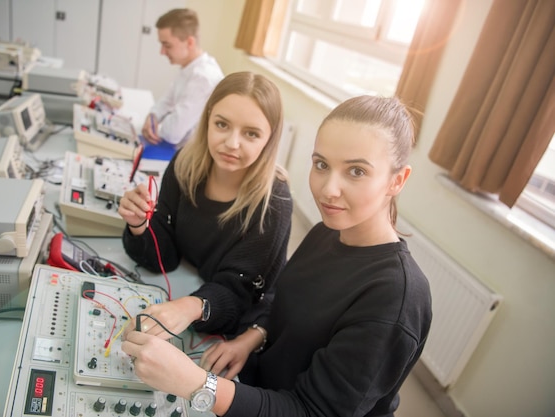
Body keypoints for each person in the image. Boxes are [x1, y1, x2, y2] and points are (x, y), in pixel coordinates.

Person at [121, 95, 433, 417]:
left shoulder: (395, 298)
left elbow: (311, 412)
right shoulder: (329, 231)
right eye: (321, 165)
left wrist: (199, 384)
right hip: (256, 386)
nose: (328, 190)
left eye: (356, 171)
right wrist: (252, 338)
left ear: (397, 180)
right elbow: (281, 300)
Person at [118, 71, 293, 340]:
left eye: (251, 133)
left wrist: (191, 306)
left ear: (269, 139)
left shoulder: (274, 203)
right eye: (222, 124)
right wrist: (139, 224)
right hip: (189, 290)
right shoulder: (184, 165)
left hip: (237, 327)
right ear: (208, 120)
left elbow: (241, 294)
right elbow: (164, 256)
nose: (232, 143)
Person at [141, 8, 224, 150]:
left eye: (167, 45)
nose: (162, 52)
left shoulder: (203, 78)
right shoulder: (189, 68)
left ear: (190, 42)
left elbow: (173, 132)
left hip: (189, 157)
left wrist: (155, 127)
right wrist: (153, 115)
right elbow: (167, 100)